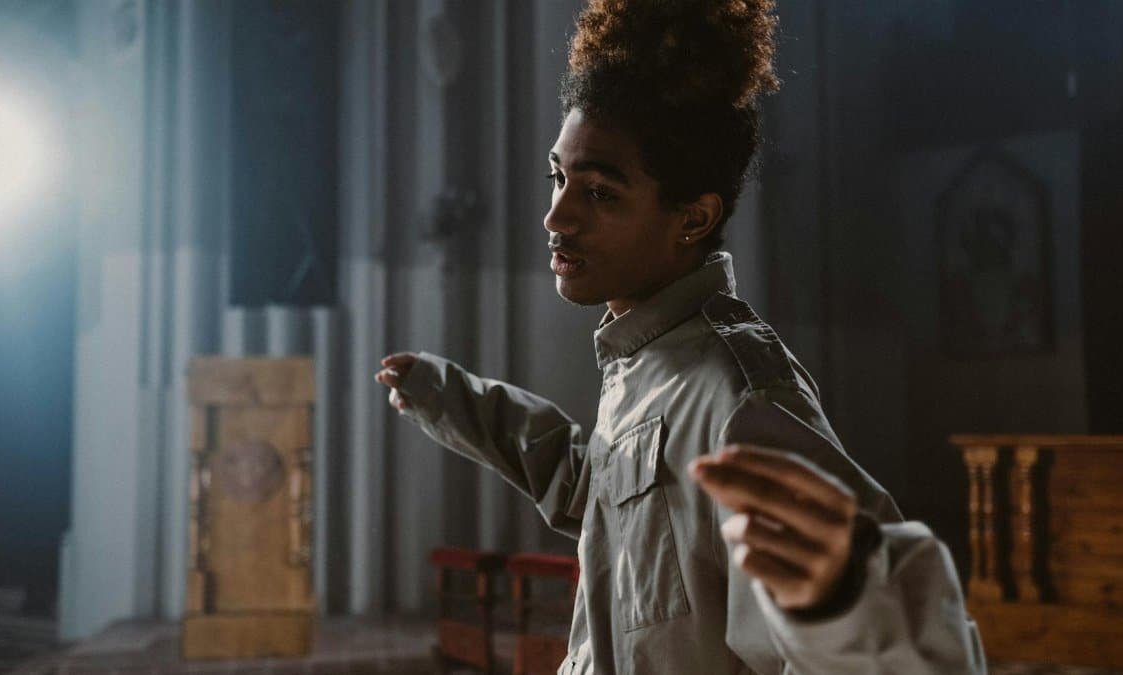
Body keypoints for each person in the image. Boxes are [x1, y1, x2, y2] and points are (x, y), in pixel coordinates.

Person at [375, 1, 985, 672]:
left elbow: (877, 631)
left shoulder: (741, 392)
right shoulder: (646, 361)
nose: (556, 215)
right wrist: (448, 397)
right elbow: (596, 489)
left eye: (601, 193)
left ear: (692, 218)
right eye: (559, 177)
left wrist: (845, 603)